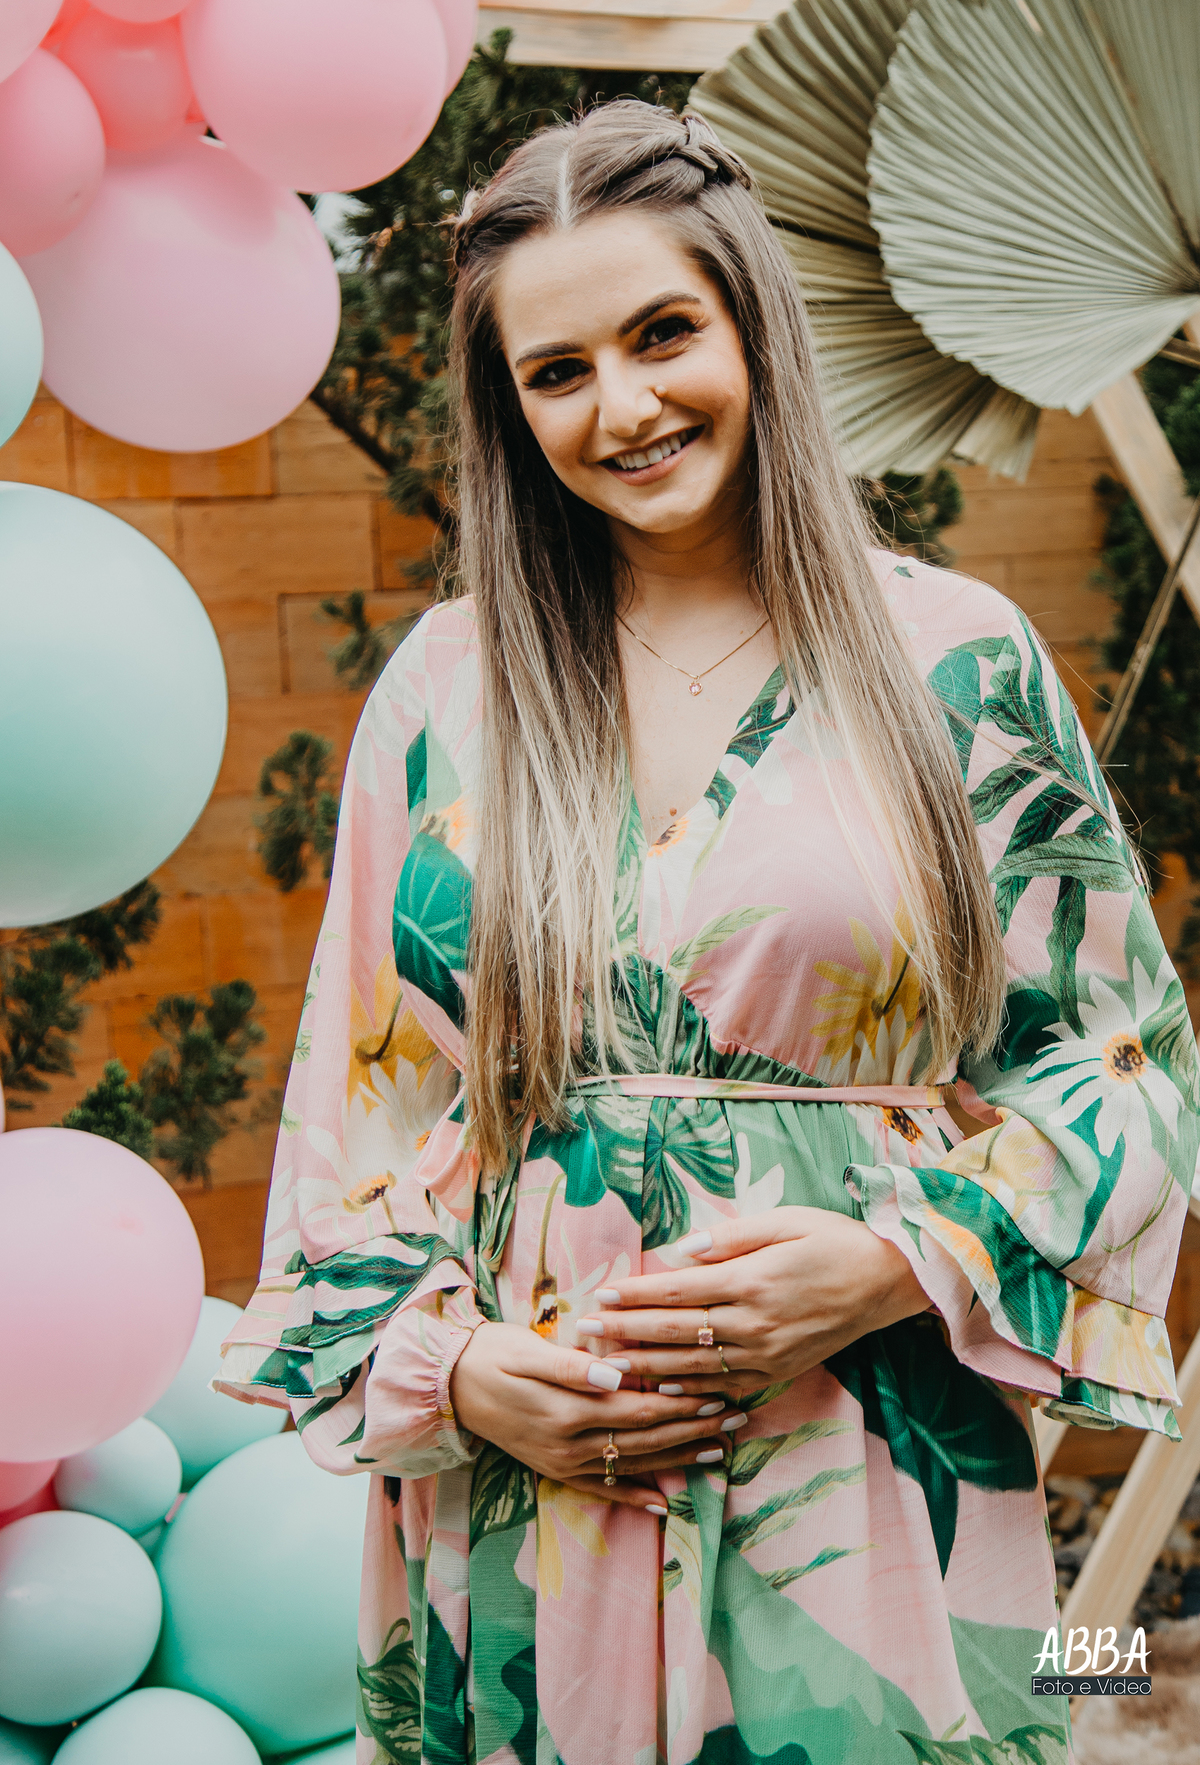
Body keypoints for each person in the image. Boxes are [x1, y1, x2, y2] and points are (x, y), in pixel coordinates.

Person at [217, 100, 1199, 1765]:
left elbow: (1129, 1070)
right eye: (558, 370)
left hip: (869, 1456)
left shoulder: (957, 660)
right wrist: (461, 1372)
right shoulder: (445, 690)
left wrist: (895, 1260)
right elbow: (353, 1116)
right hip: (532, 1495)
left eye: (663, 332)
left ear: (751, 322)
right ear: (510, 406)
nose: (624, 406)